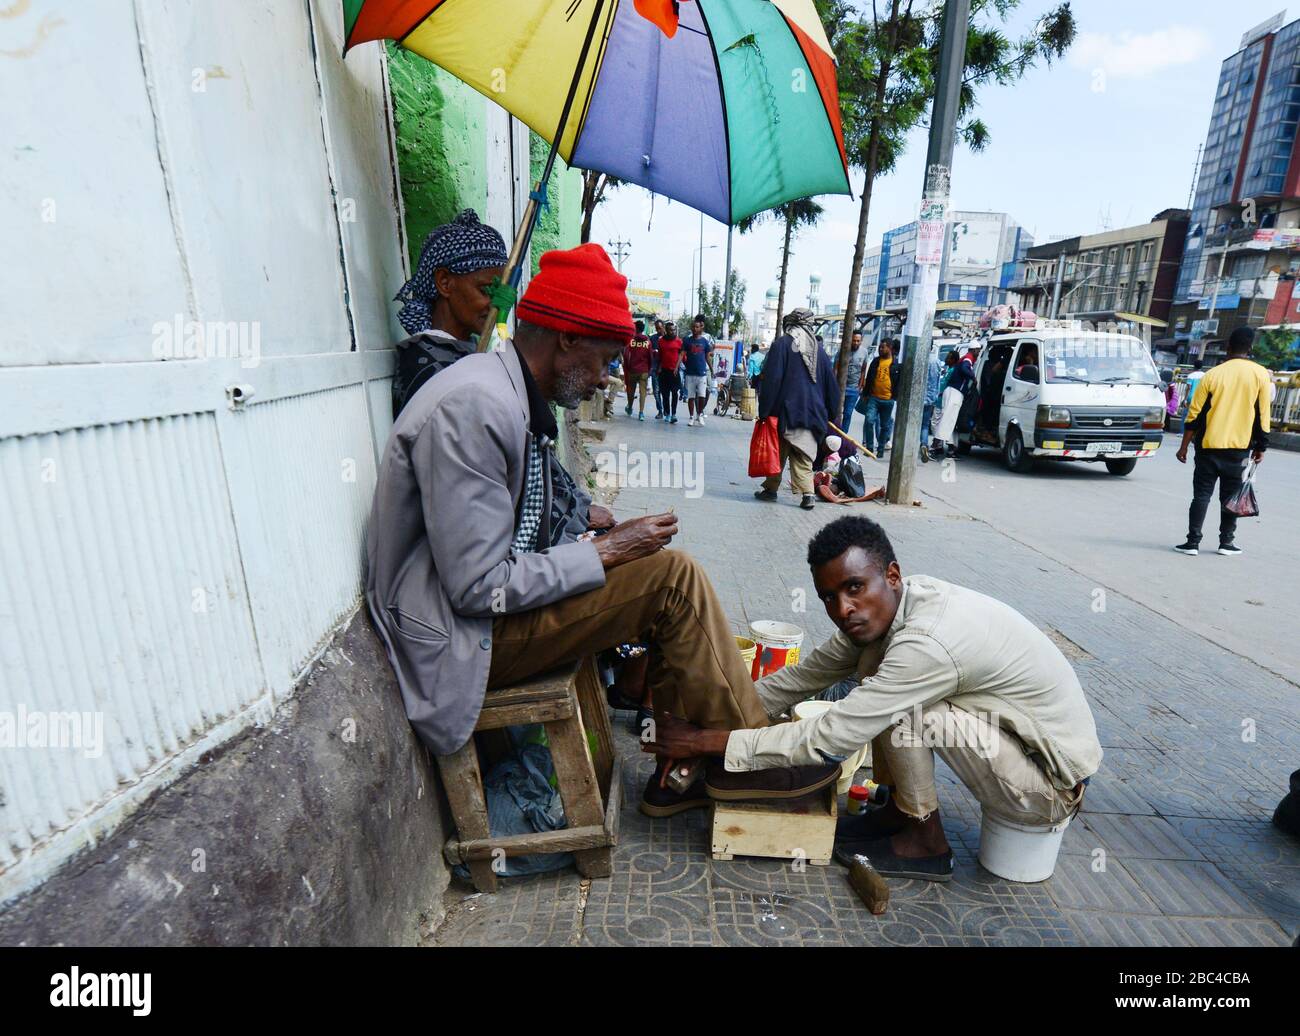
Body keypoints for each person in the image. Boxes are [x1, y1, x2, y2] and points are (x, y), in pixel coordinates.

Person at [366, 243, 839, 820]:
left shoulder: (505, 391)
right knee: (671, 580)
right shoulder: (477, 406)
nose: (608, 378)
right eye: (606, 359)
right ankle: (754, 762)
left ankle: (682, 767)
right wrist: (610, 551)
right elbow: (478, 587)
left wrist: (601, 549)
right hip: (456, 636)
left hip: (472, 615)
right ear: (567, 339)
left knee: (663, 577)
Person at [641, 515, 1102, 881]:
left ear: (893, 575)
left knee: (904, 706)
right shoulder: (890, 611)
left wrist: (705, 743)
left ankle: (926, 841)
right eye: (829, 596)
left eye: (854, 587)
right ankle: (899, 811)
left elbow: (836, 732)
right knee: (883, 682)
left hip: (1049, 788)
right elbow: (801, 678)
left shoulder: (928, 642)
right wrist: (722, 714)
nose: (843, 609)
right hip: (1014, 748)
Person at [390, 209, 511, 418]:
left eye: (499, 292)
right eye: (485, 290)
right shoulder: (427, 366)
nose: (495, 304)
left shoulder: (468, 351)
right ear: (445, 282)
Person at [1174, 326, 1271, 557]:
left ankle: (1192, 543)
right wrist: (1261, 446)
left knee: (1201, 495)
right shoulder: (1260, 375)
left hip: (1208, 447)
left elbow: (1195, 415)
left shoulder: (1213, 374)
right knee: (1230, 497)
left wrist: (1184, 446)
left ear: (1228, 347)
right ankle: (1226, 542)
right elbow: (1262, 414)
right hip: (1238, 449)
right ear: (1250, 348)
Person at [754, 309, 840, 511]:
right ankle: (795, 492)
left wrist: (765, 410)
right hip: (813, 412)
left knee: (781, 452)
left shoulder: (782, 345)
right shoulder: (819, 350)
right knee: (801, 453)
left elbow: (772, 380)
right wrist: (832, 412)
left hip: (786, 410)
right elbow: (831, 385)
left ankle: (785, 491)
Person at [932, 347, 977, 458]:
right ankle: (934, 448)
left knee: (949, 422)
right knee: (947, 420)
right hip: (955, 393)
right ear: (974, 350)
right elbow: (965, 369)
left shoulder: (963, 360)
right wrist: (973, 377)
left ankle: (949, 449)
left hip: (952, 393)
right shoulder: (968, 359)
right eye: (978, 351)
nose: (979, 353)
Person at [857, 340, 899, 454]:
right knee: (869, 421)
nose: (880, 350)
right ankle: (869, 447)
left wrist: (896, 396)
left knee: (884, 426)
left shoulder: (896, 364)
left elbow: (899, 382)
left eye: (883, 348)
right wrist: (865, 394)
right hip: (873, 398)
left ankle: (880, 448)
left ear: (889, 348)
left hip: (888, 400)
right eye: (880, 348)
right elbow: (869, 378)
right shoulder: (875, 362)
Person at [682, 316, 714, 427]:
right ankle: (691, 417)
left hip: (702, 373)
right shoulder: (687, 340)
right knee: (691, 397)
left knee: (702, 395)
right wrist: (678, 366)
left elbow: (708, 356)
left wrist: (711, 369)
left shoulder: (705, 340)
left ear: (701, 327)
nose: (695, 329)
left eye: (697, 327)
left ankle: (699, 414)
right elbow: (682, 354)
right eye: (693, 327)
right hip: (690, 373)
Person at [623, 320, 653, 421]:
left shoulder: (631, 341)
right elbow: (650, 357)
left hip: (632, 370)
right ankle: (641, 413)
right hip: (644, 370)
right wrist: (649, 370)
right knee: (643, 392)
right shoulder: (647, 341)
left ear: (635, 329)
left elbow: (626, 355)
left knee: (631, 391)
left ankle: (630, 407)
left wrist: (627, 367)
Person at [656, 321, 684, 424]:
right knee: (665, 394)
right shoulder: (661, 341)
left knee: (675, 393)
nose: (673, 332)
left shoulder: (679, 341)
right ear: (666, 330)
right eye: (670, 330)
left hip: (674, 371)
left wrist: (677, 367)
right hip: (664, 371)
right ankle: (667, 413)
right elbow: (660, 356)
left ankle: (674, 414)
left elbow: (682, 355)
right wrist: (658, 368)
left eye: (674, 330)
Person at [919, 346, 943, 464]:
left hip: (917, 398)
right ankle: (924, 444)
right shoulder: (936, 361)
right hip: (930, 398)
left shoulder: (919, 359)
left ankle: (914, 447)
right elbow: (938, 381)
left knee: (914, 424)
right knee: (924, 425)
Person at [841, 332, 867, 434]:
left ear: (861, 341)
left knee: (847, 414)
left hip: (853, 388)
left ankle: (843, 436)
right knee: (836, 413)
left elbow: (863, 370)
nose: (856, 342)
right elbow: (836, 368)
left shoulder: (864, 352)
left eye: (858, 341)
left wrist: (860, 386)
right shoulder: (843, 350)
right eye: (854, 340)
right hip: (841, 387)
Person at [648, 318, 666, 419]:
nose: (659, 330)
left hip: (666, 369)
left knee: (665, 392)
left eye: (660, 328)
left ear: (663, 326)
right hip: (655, 368)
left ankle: (667, 410)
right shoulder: (653, 338)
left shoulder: (668, 338)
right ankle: (660, 410)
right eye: (657, 328)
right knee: (656, 391)